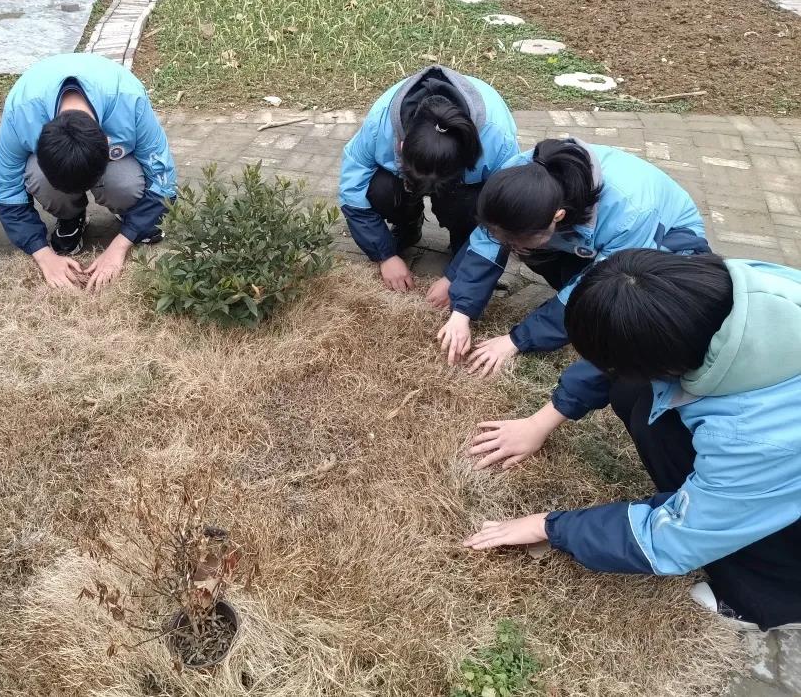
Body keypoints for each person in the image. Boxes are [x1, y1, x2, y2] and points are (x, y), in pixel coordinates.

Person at [464, 250, 801, 632]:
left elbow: (673, 538)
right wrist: (541, 422)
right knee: (636, 397)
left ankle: (770, 599)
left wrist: (552, 526)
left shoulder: (754, 437)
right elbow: (623, 348)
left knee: (755, 517)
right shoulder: (726, 287)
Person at [436, 138, 707, 381]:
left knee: (618, 304)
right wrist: (462, 312)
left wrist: (516, 340)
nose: (511, 249)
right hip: (586, 237)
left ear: (558, 216)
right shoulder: (516, 175)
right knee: (533, 250)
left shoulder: (630, 213)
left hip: (668, 242)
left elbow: (593, 286)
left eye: (517, 240)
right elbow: (489, 237)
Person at [0, 53, 176, 292]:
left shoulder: (130, 100)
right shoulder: (20, 111)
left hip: (115, 125)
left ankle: (128, 213)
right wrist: (43, 255)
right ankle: (71, 218)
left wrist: (121, 244)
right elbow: (7, 191)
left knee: (125, 182)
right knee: (37, 175)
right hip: (36, 110)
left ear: (107, 143)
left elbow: (164, 182)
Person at [337, 66, 520, 294]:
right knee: (380, 188)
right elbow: (351, 190)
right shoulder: (379, 124)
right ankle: (408, 225)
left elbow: (506, 215)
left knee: (469, 202)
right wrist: (385, 256)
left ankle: (462, 240)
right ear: (402, 148)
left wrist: (458, 274)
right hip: (405, 176)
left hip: (463, 189)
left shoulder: (497, 138)